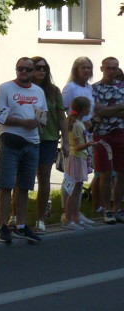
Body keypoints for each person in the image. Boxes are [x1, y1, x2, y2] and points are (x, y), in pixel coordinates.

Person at [0, 58, 45, 244]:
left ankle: (21, 226)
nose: (23, 72)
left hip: (33, 143)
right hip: (11, 142)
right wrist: (22, 122)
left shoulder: (38, 91)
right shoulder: (5, 88)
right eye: (20, 68)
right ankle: (3, 227)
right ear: (16, 70)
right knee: (6, 185)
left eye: (28, 69)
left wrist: (39, 121)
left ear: (33, 72)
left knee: (24, 186)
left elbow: (43, 115)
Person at [30, 56, 68, 231]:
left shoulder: (54, 90)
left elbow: (61, 116)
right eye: (38, 67)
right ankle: (15, 216)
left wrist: (66, 141)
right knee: (22, 176)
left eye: (45, 68)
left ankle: (40, 219)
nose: (42, 71)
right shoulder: (24, 89)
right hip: (28, 137)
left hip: (49, 138)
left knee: (44, 176)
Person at [61, 57, 96, 225]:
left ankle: (77, 212)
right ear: (76, 70)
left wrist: (88, 124)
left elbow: (91, 110)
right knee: (71, 177)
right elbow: (64, 111)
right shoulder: (70, 88)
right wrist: (76, 125)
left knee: (81, 178)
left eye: (89, 67)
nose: (87, 71)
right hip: (74, 132)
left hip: (86, 130)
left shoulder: (89, 87)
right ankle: (66, 212)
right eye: (83, 67)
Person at [91, 57, 124, 224]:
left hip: (121, 133)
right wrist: (119, 107)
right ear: (102, 68)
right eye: (109, 68)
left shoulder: (122, 87)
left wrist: (107, 110)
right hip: (102, 134)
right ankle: (107, 209)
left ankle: (117, 207)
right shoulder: (94, 89)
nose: (112, 71)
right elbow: (99, 113)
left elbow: (105, 111)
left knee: (121, 173)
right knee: (104, 173)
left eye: (115, 68)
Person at [63, 96, 95, 230]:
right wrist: (90, 144)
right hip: (76, 158)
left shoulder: (79, 123)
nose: (90, 109)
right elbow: (76, 146)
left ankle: (76, 216)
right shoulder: (76, 125)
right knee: (74, 191)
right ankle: (68, 219)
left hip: (80, 158)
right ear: (84, 109)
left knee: (78, 189)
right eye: (88, 107)